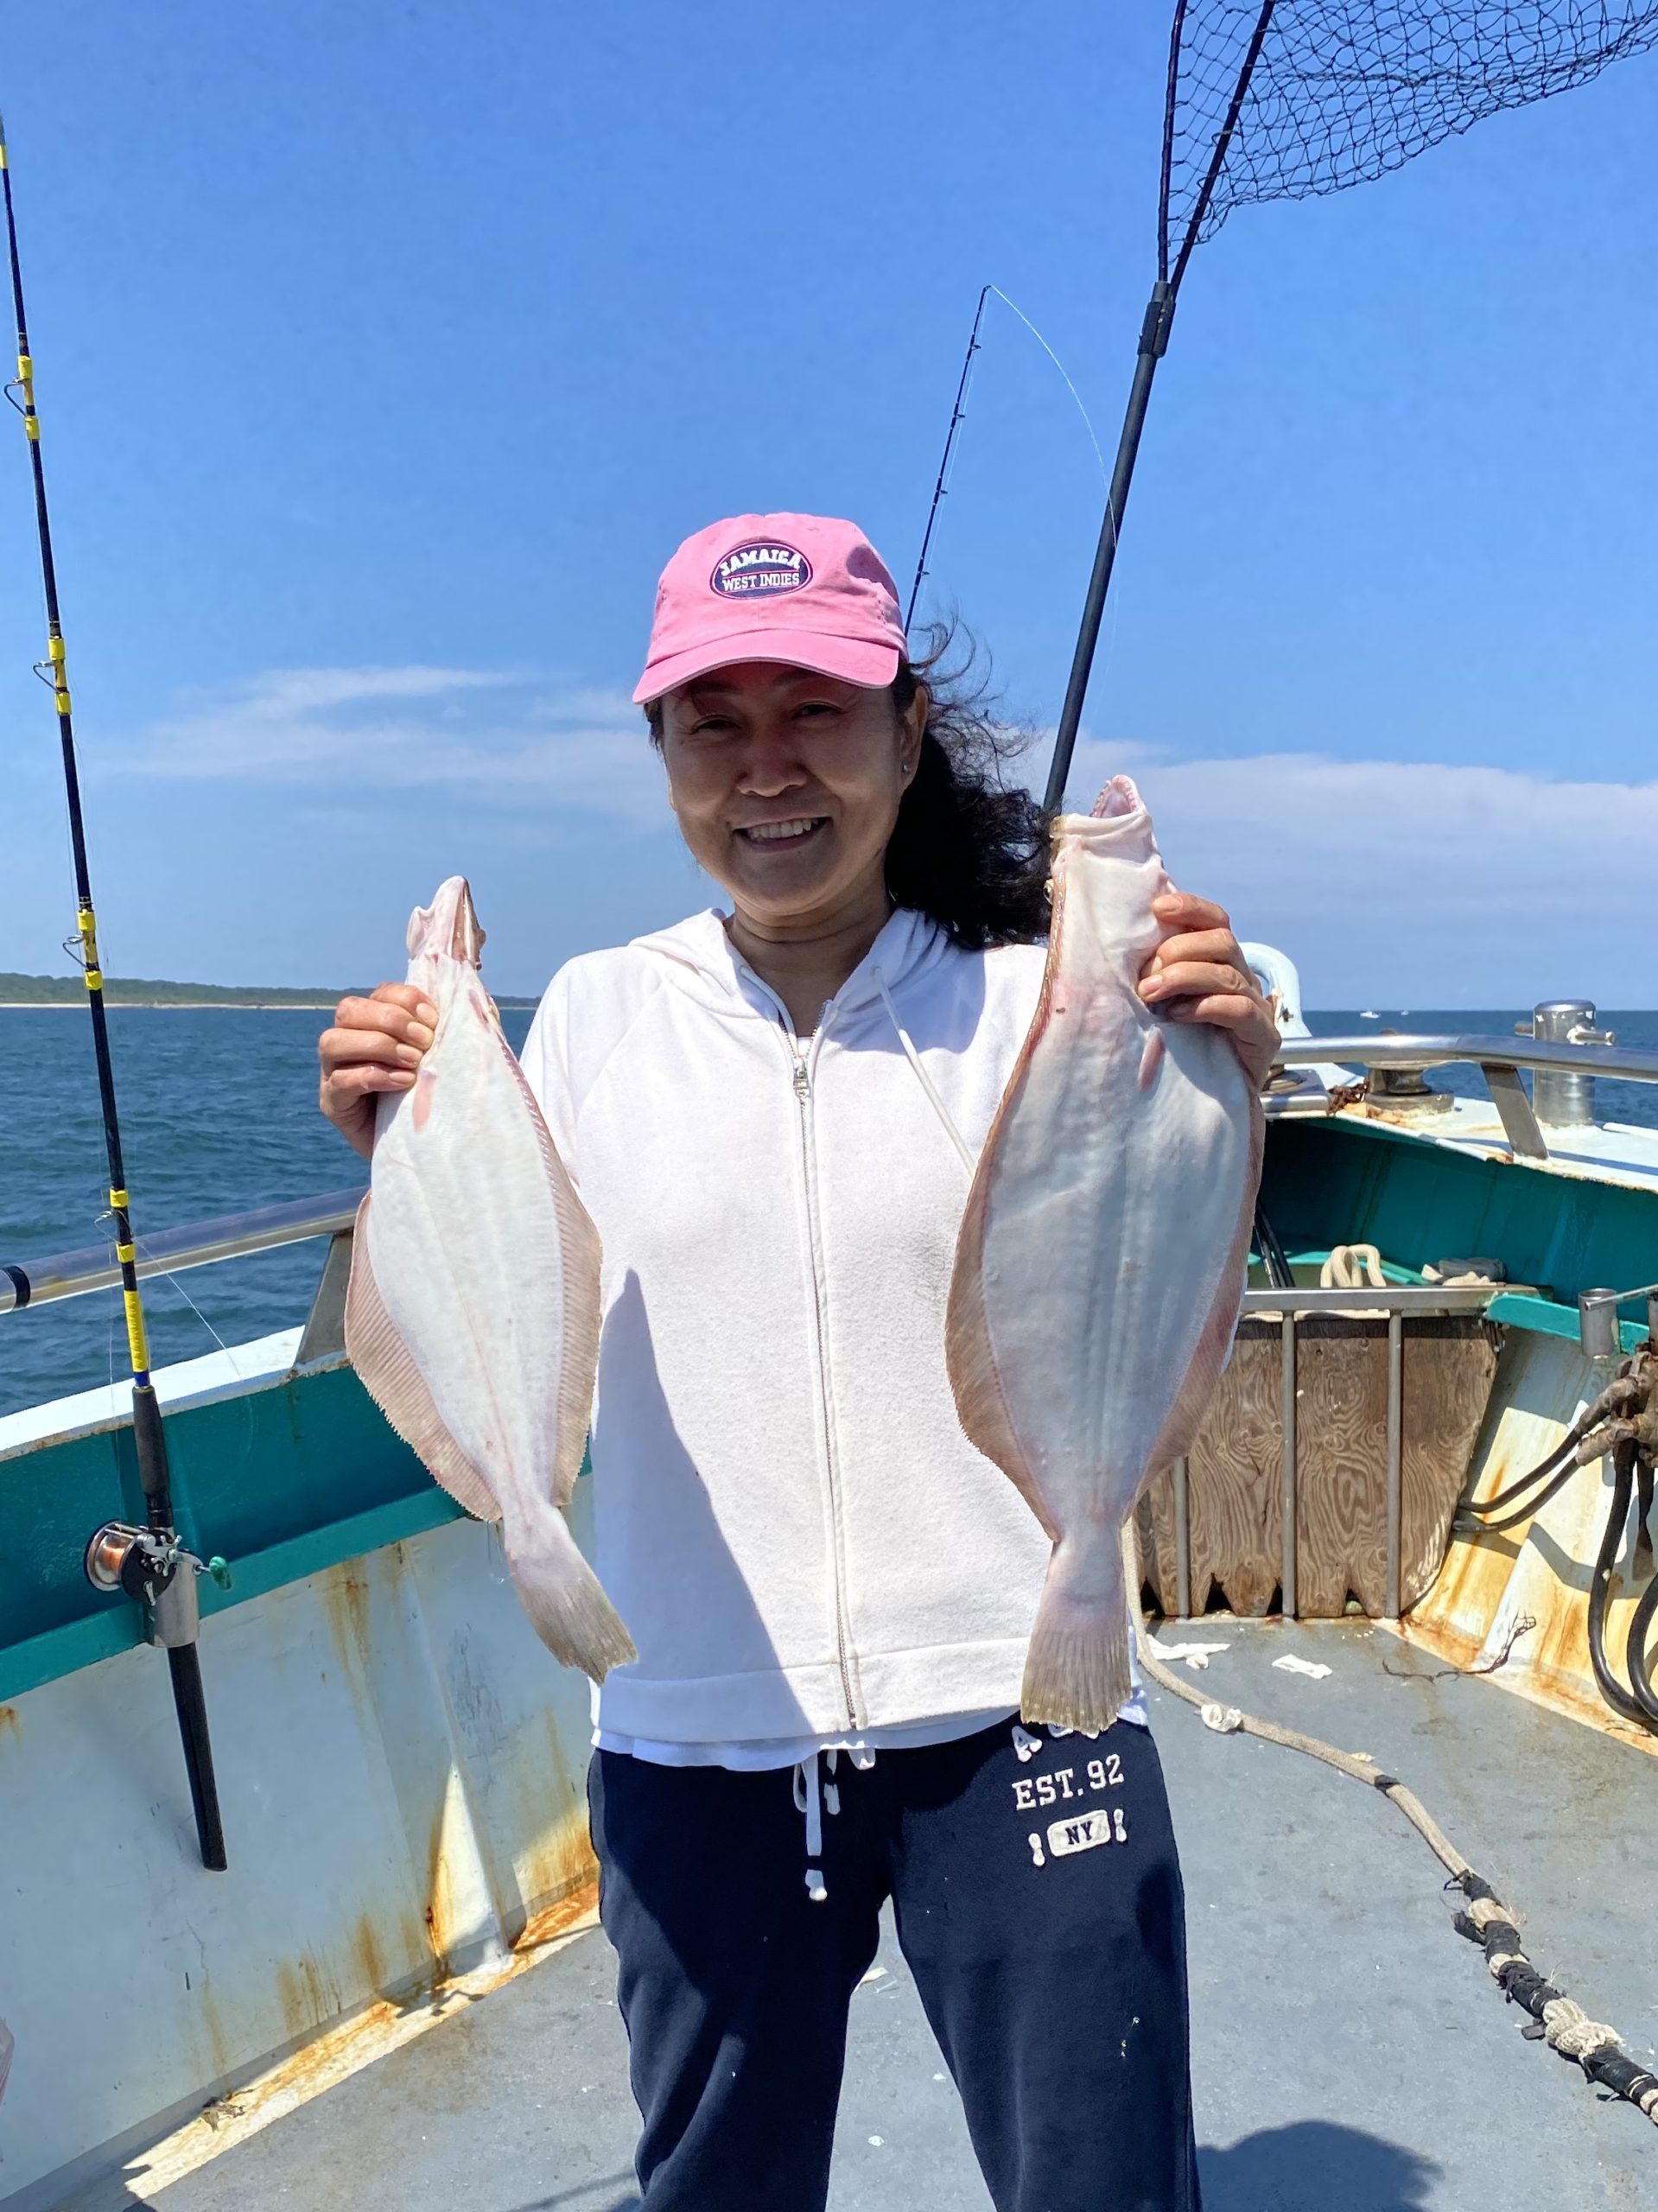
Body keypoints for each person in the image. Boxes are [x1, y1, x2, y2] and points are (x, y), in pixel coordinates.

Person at [319, 512, 1278, 2212]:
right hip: (697, 1734)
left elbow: (1161, 1240)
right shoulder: (598, 1015)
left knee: (1107, 2177)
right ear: (663, 755)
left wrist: (1226, 1064)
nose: (769, 767)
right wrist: (403, 1147)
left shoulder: (1037, 994)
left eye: (818, 711)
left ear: (907, 731)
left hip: (1023, 1699)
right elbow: (494, 1297)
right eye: (715, 722)